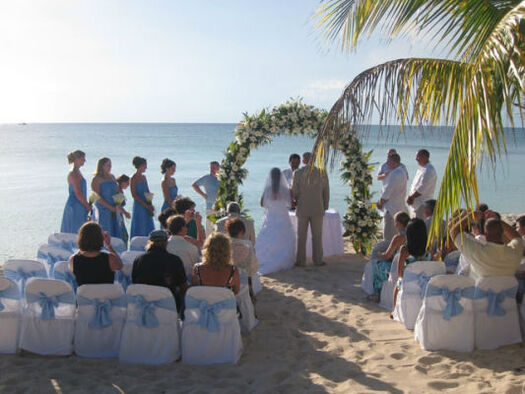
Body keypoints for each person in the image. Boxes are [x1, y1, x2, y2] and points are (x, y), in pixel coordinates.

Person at [450, 210, 523, 281]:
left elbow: (454, 232)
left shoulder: (477, 252)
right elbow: (516, 237)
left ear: (486, 235)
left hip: (475, 290)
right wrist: (497, 221)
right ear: (502, 232)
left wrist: (470, 215)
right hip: (508, 292)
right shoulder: (514, 252)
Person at [132, 230, 188, 313]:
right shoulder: (174, 260)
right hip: (169, 305)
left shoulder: (139, 259)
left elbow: (134, 283)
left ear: (150, 242)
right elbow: (183, 285)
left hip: (143, 304)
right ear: (166, 242)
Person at [255, 168, 297, 274]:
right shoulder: (285, 188)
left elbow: (262, 203)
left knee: (268, 237)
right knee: (285, 237)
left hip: (271, 215)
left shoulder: (268, 188)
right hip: (282, 215)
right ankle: (283, 260)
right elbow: (291, 204)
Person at [292, 155, 330, 267]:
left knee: (301, 236)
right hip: (318, 207)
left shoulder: (298, 173)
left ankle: (300, 261)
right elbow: (326, 191)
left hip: (302, 207)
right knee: (317, 236)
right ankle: (318, 260)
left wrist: (296, 200)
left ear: (303, 161)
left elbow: (294, 190)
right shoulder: (322, 173)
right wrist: (325, 205)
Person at [391, 218, 432, 313]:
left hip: (409, 280)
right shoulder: (428, 248)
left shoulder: (405, 250)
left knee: (397, 285)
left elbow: (400, 273)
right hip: (425, 281)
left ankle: (394, 310)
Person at [369, 211, 410, 302]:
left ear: (398, 223)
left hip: (396, 268)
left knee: (378, 266)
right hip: (408, 267)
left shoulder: (397, 238)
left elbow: (387, 256)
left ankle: (377, 294)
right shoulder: (412, 236)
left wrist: (378, 254)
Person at [69, 221, 123, 286]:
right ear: (101, 238)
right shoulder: (111, 259)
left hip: (86, 295)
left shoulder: (73, 260)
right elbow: (120, 266)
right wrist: (108, 245)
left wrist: (82, 247)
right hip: (106, 295)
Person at [377, 153, 408, 241]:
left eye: (388, 162)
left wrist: (380, 202)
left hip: (391, 208)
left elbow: (387, 192)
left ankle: (388, 252)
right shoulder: (402, 171)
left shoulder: (394, 174)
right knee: (395, 232)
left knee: (388, 234)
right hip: (399, 206)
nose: (387, 164)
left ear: (394, 162)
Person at [61, 150, 91, 234]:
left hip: (80, 204)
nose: (84, 161)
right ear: (76, 159)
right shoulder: (73, 173)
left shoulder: (78, 172)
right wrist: (87, 206)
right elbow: (78, 193)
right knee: (75, 229)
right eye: (82, 159)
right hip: (75, 205)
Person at [91, 157, 122, 238]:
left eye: (110, 165)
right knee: (105, 229)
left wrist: (119, 201)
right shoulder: (96, 179)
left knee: (116, 231)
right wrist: (110, 207)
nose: (110, 167)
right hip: (103, 209)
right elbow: (96, 196)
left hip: (114, 207)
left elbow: (117, 190)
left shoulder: (112, 176)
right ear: (102, 166)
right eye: (108, 165)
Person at [407, 149, 437, 218]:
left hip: (422, 204)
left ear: (426, 157)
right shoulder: (422, 168)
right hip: (416, 204)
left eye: (418, 157)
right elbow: (414, 186)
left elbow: (422, 188)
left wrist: (411, 197)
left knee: (419, 226)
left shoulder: (429, 170)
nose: (416, 159)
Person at [192, 161, 220, 235]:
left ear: (218, 168)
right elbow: (194, 185)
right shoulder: (206, 178)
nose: (211, 169)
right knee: (209, 229)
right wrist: (203, 194)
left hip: (221, 208)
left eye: (213, 167)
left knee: (219, 230)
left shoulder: (221, 179)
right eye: (211, 167)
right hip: (210, 207)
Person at [130, 156, 155, 238]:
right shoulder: (133, 178)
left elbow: (147, 191)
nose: (146, 167)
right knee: (140, 224)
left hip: (147, 204)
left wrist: (150, 204)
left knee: (148, 224)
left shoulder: (144, 177)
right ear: (140, 166)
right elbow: (134, 195)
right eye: (145, 166)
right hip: (139, 205)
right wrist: (145, 205)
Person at [115, 174, 131, 246]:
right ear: (123, 182)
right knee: (123, 235)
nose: (128, 185)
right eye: (127, 183)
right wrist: (125, 213)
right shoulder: (118, 190)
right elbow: (118, 205)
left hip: (119, 214)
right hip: (118, 215)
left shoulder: (120, 190)